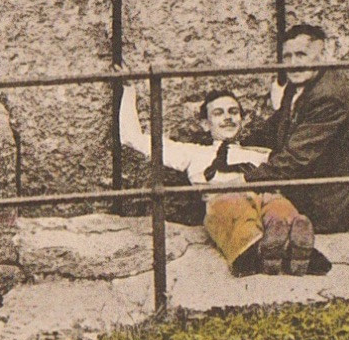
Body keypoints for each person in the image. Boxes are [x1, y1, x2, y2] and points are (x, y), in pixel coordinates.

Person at [118, 84, 324, 275]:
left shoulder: (260, 151)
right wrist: (129, 89)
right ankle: (261, 250)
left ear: (242, 119)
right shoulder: (193, 153)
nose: (228, 118)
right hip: (223, 202)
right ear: (206, 124)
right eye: (219, 113)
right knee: (233, 206)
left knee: (279, 205)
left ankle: (294, 245)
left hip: (265, 196)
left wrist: (281, 88)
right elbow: (132, 138)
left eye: (234, 112)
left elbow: (286, 125)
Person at [243, 23, 349, 233]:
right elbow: (277, 125)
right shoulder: (300, 83)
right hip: (313, 187)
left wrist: (241, 181)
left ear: (321, 55)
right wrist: (241, 144)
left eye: (301, 55)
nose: (293, 63)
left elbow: (296, 158)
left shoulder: (329, 97)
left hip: (332, 203)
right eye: (288, 56)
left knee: (241, 202)